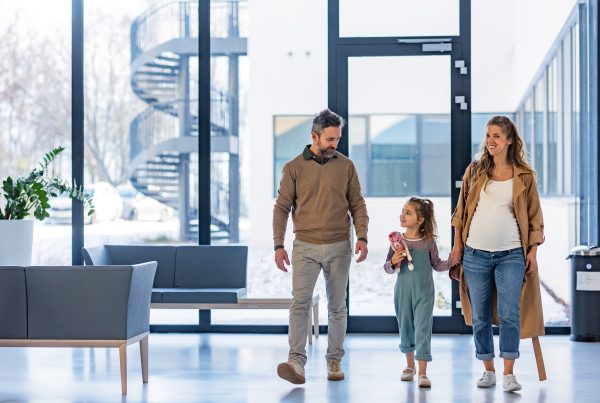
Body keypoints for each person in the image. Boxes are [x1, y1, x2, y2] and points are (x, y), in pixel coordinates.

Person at [273, 109, 369, 384]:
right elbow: (281, 208)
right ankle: (296, 362)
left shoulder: (346, 166)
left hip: (340, 245)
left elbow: (357, 204)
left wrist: (362, 236)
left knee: (337, 306)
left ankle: (334, 360)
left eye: (337, 139)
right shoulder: (293, 167)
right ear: (314, 136)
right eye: (329, 139)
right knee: (300, 303)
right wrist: (278, 245)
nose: (334, 144)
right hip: (305, 245)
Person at [450, 115, 545, 392]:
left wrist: (533, 252)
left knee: (509, 314)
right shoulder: (475, 170)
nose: (490, 141)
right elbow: (460, 213)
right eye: (488, 135)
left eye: (496, 136)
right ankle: (488, 369)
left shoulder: (525, 176)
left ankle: (509, 374)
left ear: (509, 140)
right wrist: (458, 245)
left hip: (512, 254)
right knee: (479, 315)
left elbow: (535, 217)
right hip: (475, 254)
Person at [383, 197, 454, 388]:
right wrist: (393, 261)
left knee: (423, 329)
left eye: (408, 213)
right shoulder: (396, 241)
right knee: (405, 326)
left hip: (424, 293)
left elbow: (437, 265)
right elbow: (387, 268)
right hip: (403, 293)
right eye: (403, 211)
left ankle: (423, 372)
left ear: (421, 219)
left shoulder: (429, 242)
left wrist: (451, 261)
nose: (402, 215)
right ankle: (409, 366)